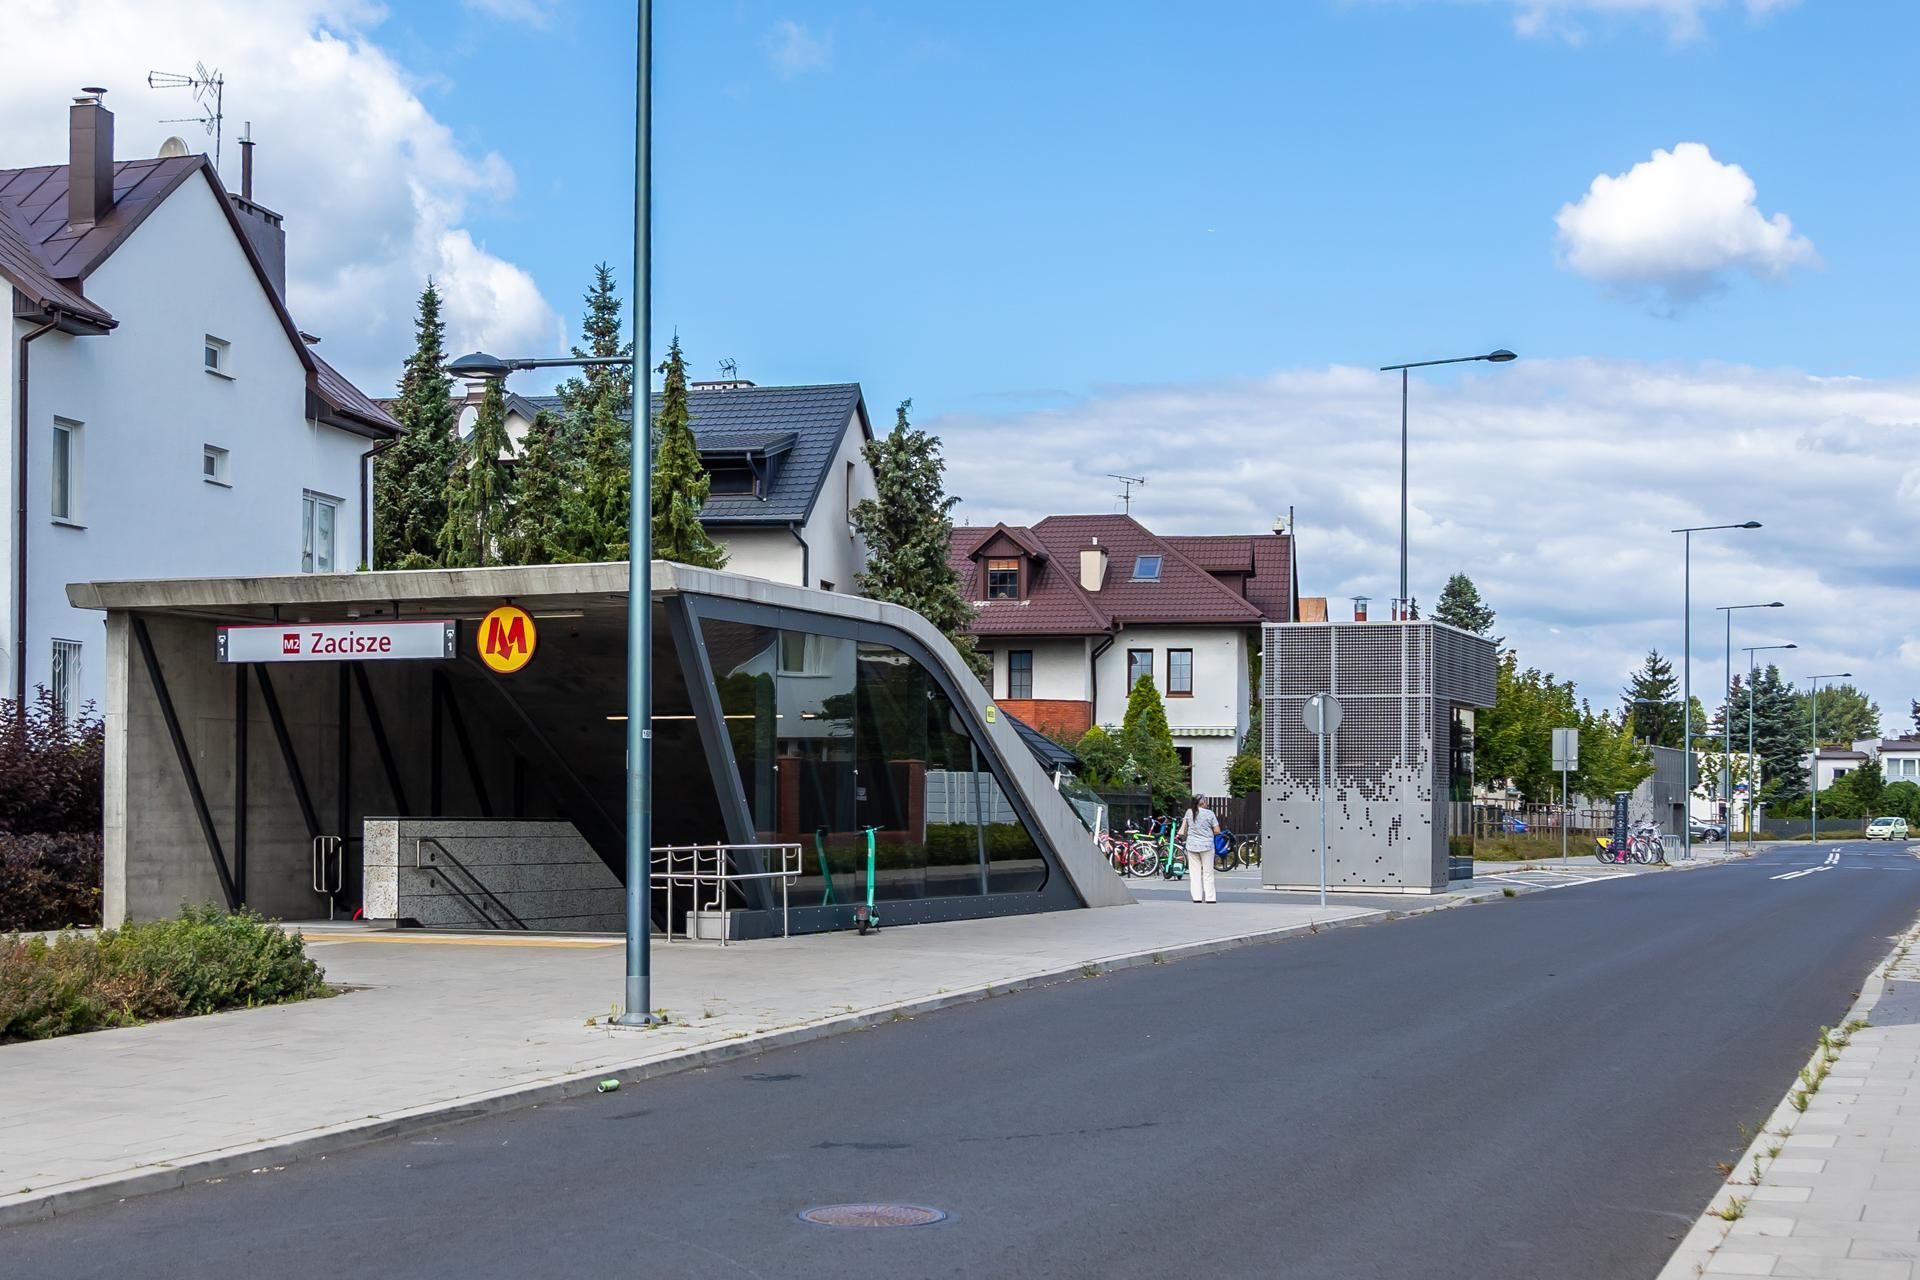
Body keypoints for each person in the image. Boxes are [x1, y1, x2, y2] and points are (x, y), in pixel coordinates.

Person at [1177, 796, 1220, 903]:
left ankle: (1197, 897)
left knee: (1194, 872)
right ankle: (1210, 898)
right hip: (1207, 846)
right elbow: (1217, 830)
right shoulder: (1209, 813)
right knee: (1208, 872)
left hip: (1192, 845)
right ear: (1203, 803)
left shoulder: (1189, 812)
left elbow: (1185, 828)